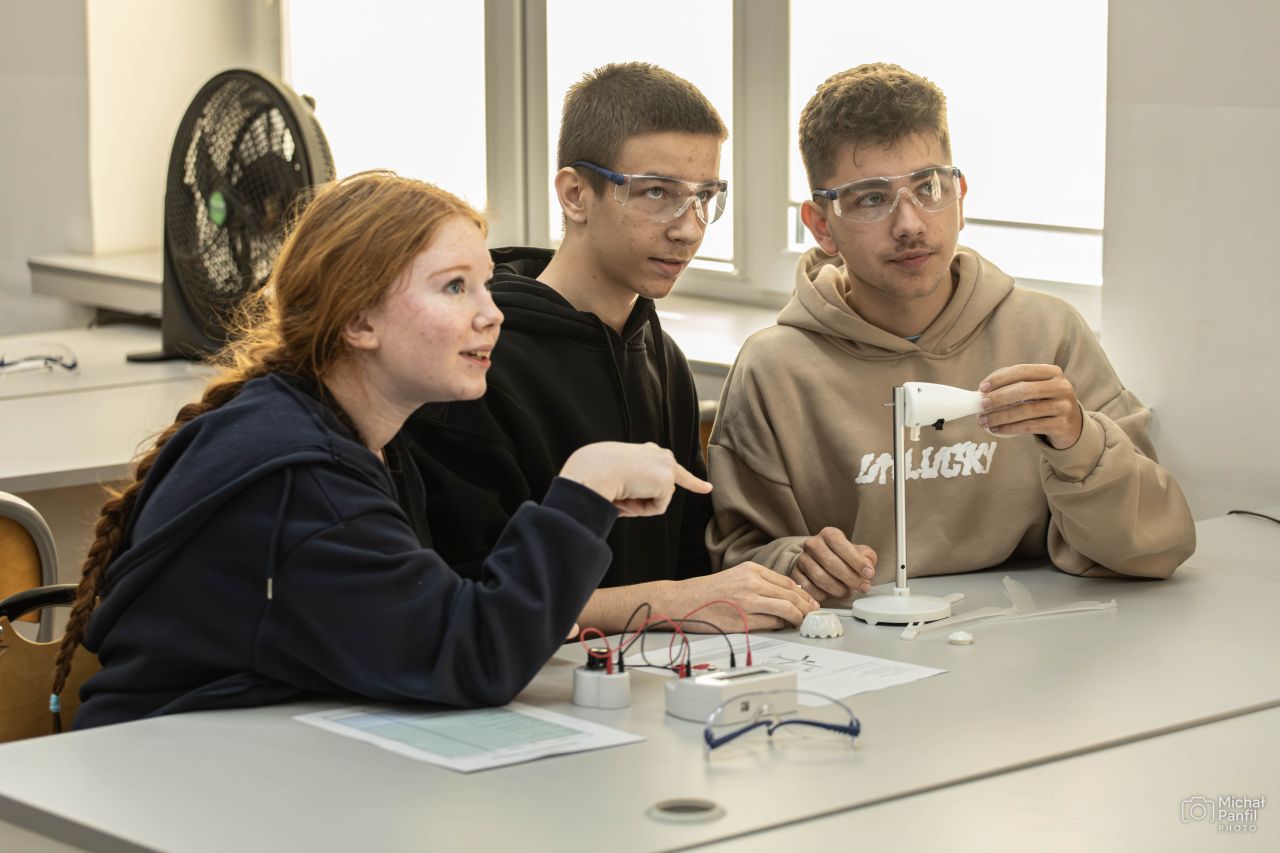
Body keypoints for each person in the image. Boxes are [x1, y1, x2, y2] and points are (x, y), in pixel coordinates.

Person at [52, 171, 711, 730]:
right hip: (173, 781)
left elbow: (433, 620)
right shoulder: (302, 479)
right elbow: (472, 657)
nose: (492, 314)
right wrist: (584, 488)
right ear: (359, 321)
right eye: (454, 287)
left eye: (485, 284)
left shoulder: (352, 438)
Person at [707, 63, 1196, 602]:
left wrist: (1079, 439)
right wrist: (795, 562)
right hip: (858, 639)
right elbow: (736, 557)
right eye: (871, 198)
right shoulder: (774, 368)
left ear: (960, 196)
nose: (910, 224)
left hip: (1031, 632)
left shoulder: (1049, 333)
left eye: (929, 187)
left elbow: (1160, 546)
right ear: (822, 225)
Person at [403, 63, 818, 632]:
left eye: (704, 197)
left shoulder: (661, 356)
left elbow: (690, 564)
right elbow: (473, 599)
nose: (689, 229)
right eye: (657, 193)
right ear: (576, 194)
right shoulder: (474, 360)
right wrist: (675, 602)